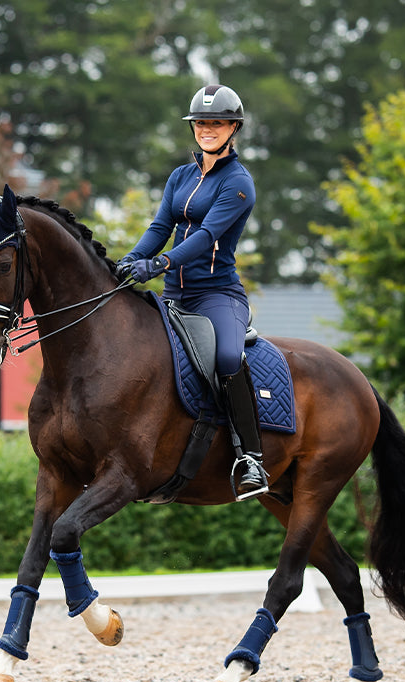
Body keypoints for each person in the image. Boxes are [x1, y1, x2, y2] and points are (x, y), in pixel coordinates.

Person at [117, 84, 268, 500]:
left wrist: (161, 263)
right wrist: (128, 262)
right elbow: (159, 228)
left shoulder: (239, 183)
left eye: (216, 123)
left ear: (233, 128)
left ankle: (251, 457)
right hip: (172, 297)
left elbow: (205, 236)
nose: (207, 129)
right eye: (201, 123)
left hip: (217, 295)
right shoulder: (180, 177)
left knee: (225, 357)